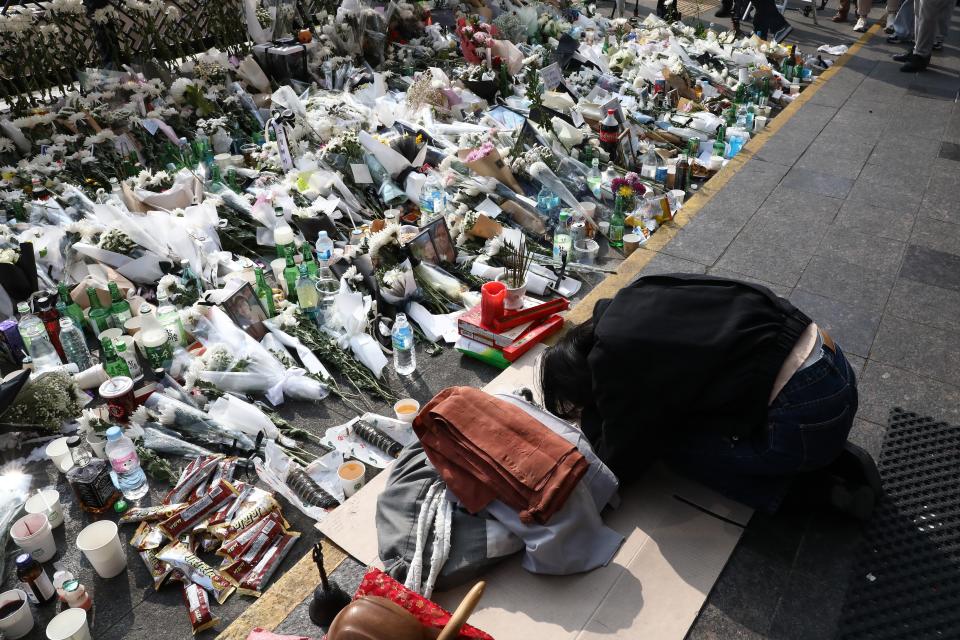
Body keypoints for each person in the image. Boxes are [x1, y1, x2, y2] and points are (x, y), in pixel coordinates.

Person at [538, 273, 880, 519]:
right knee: (691, 414)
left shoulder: (613, 361)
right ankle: (824, 455)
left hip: (808, 410)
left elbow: (619, 462)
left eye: (579, 406)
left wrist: (594, 427)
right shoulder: (635, 296)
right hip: (834, 367)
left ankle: (817, 495)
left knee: (668, 447)